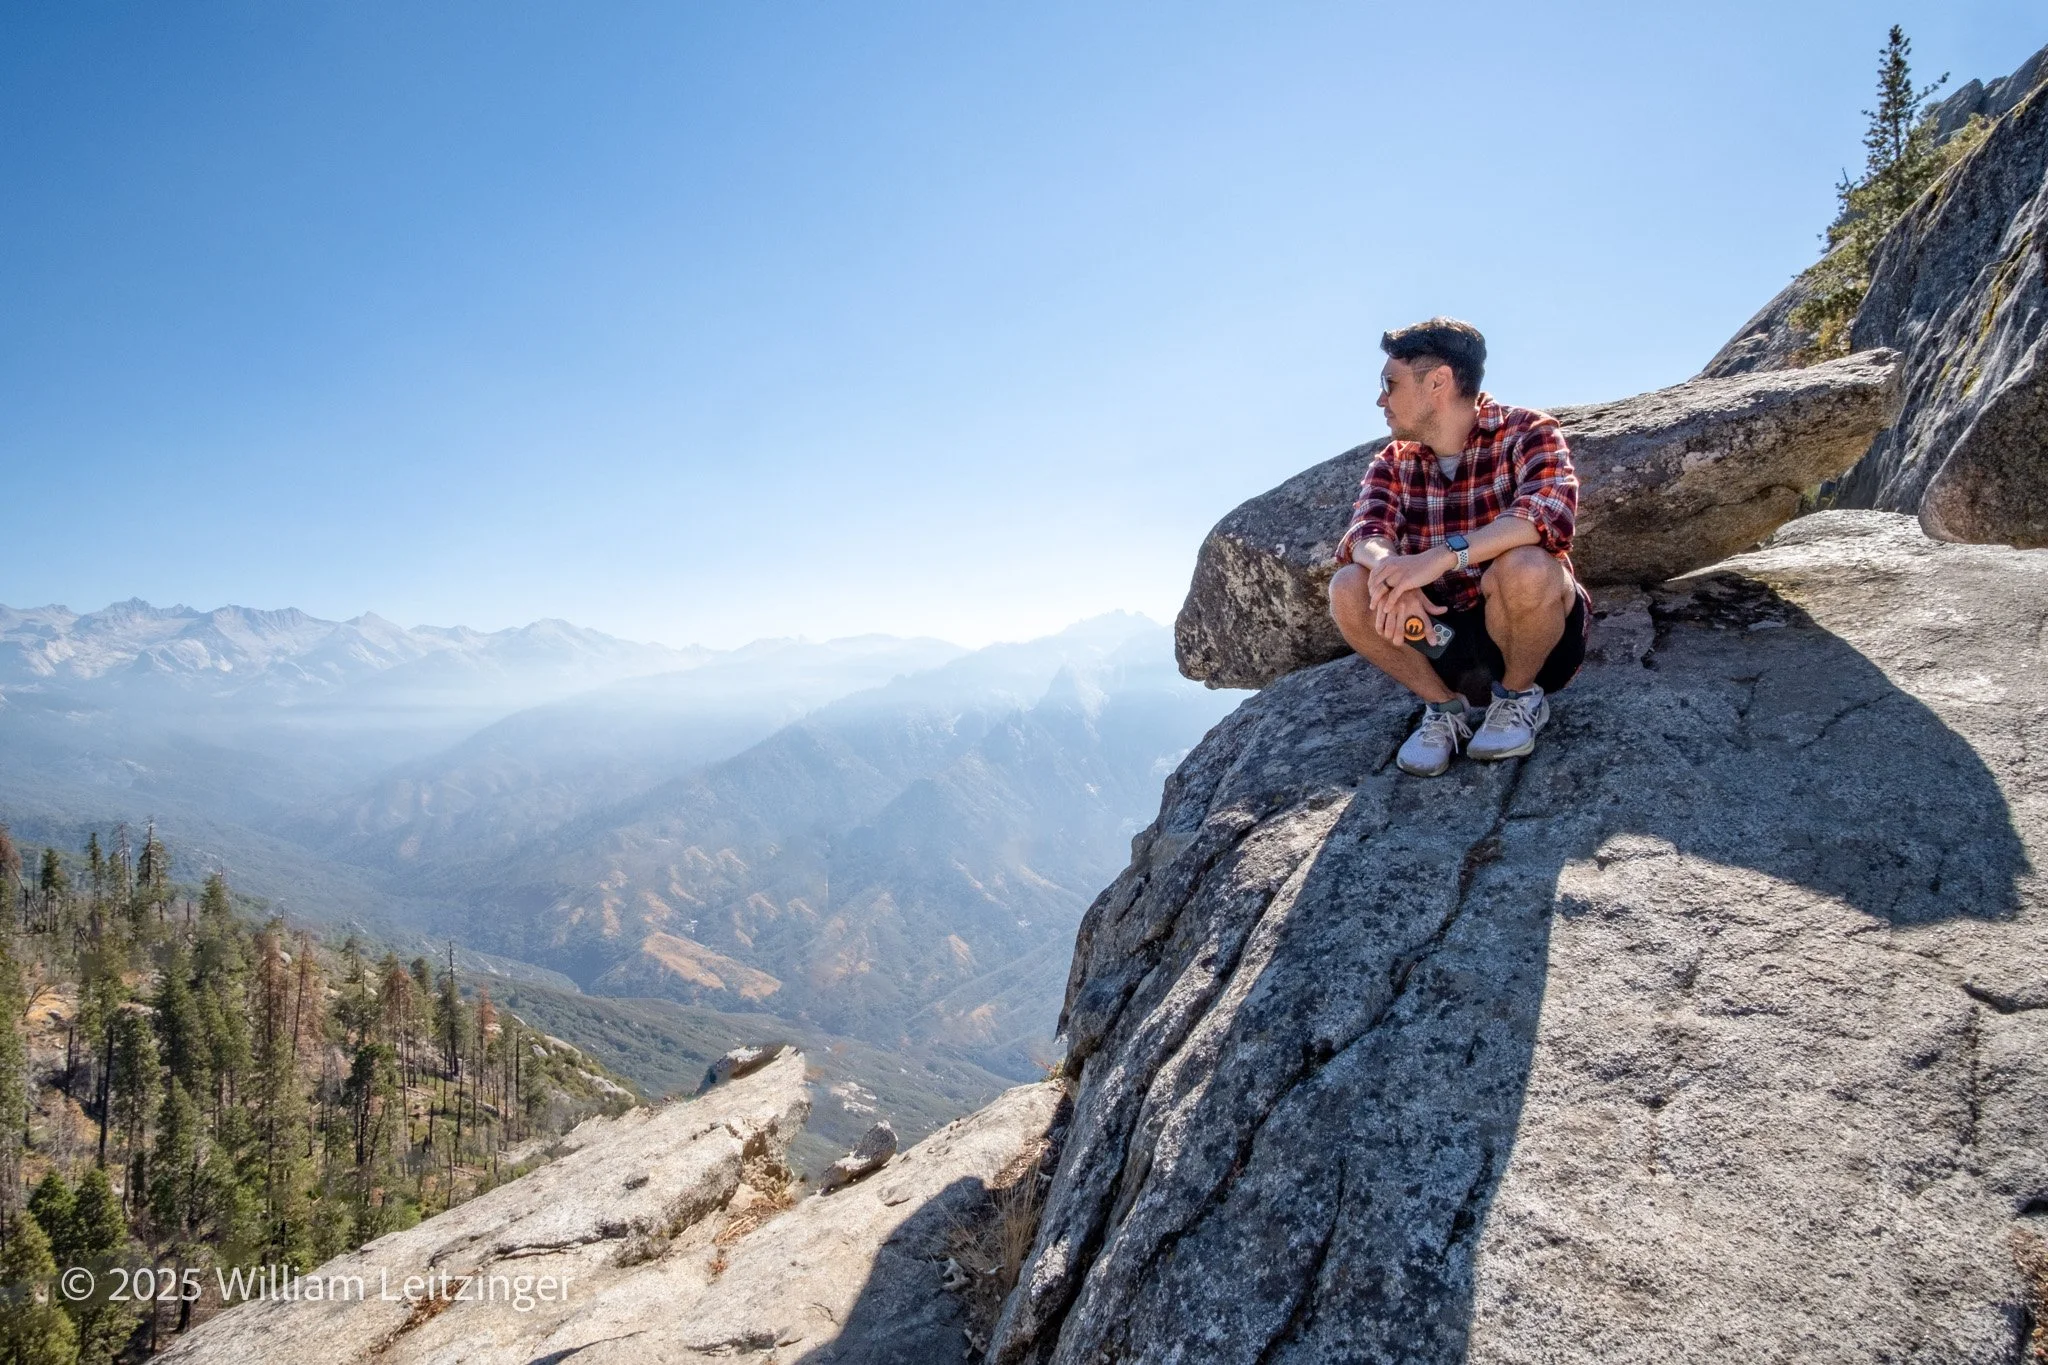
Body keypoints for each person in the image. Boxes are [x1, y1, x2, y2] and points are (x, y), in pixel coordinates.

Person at [1327, 317, 1589, 778]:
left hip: (1528, 635)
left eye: (1390, 383)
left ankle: (1519, 698)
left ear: (1438, 382)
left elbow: (1547, 514)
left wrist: (1440, 558)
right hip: (1441, 637)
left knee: (1525, 566)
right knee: (1350, 585)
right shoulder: (1395, 460)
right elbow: (1364, 534)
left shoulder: (1528, 431)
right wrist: (1393, 573)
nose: (1380, 399)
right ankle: (1445, 710)